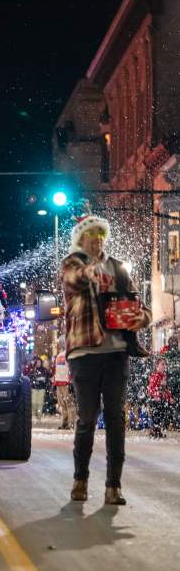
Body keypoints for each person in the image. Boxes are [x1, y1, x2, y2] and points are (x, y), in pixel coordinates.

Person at [62, 214, 151, 505]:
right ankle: (80, 480)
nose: (98, 239)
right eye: (92, 234)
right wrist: (90, 272)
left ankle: (114, 486)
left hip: (116, 353)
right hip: (84, 353)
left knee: (116, 418)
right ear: (81, 239)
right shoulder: (73, 264)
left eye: (101, 234)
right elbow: (74, 279)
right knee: (87, 418)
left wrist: (142, 319)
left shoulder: (118, 268)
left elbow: (140, 304)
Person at [53, 337, 76, 430]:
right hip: (59, 382)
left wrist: (71, 381)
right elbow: (56, 370)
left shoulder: (69, 355)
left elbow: (71, 369)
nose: (59, 345)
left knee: (69, 404)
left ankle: (71, 423)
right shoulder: (58, 356)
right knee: (63, 404)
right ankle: (65, 422)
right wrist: (55, 382)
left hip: (66, 382)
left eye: (60, 343)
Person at [148, 358, 173, 439]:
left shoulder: (164, 376)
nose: (164, 366)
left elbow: (166, 389)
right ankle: (154, 431)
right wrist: (156, 396)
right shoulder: (155, 376)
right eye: (162, 364)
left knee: (162, 415)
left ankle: (157, 431)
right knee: (156, 415)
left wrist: (170, 398)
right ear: (157, 366)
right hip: (155, 400)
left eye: (165, 364)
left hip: (162, 399)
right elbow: (150, 388)